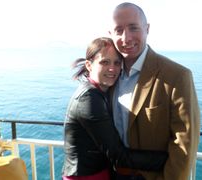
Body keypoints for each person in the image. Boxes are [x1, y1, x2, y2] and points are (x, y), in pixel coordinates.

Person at [109, 2, 201, 180]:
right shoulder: (110, 75)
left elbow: (184, 145)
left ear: (147, 29)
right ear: (110, 34)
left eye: (133, 28)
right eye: (118, 30)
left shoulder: (177, 76)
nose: (126, 38)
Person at [62, 37, 168, 180]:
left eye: (117, 63)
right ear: (89, 65)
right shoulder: (89, 99)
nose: (112, 69)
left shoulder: (98, 92)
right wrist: (169, 159)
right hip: (87, 176)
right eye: (104, 62)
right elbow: (118, 156)